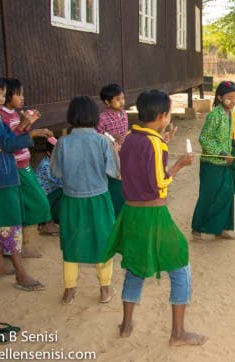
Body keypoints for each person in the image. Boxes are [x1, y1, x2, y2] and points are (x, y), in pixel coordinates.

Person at [101, 90, 206, 346]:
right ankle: (178, 333)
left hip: (131, 212)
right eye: (169, 113)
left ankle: (126, 325)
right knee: (180, 264)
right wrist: (179, 164)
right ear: (162, 116)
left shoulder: (130, 138)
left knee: (135, 266)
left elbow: (138, 168)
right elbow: (160, 183)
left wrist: (163, 146)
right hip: (153, 213)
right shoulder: (156, 144)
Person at [0, 74, 51, 291]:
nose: (0, 99)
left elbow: (6, 138)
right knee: (9, 222)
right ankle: (21, 274)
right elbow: (7, 141)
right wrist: (30, 134)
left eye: (2, 95)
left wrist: (6, 141)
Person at [50, 96, 120, 304]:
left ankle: (69, 290)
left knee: (71, 242)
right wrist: (115, 151)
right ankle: (105, 289)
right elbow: (115, 172)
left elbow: (56, 172)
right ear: (94, 117)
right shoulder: (102, 141)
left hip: (72, 200)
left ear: (71, 116)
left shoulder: (63, 142)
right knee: (102, 241)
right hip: (98, 199)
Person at [0, 78, 57, 255]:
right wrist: (31, 128)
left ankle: (22, 243)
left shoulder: (14, 114)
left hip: (24, 163)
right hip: (15, 167)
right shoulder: (1, 116)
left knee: (30, 203)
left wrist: (28, 122)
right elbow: (9, 142)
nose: (23, 98)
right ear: (8, 96)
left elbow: (19, 134)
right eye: (19, 94)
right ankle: (17, 245)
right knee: (37, 201)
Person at [191, 81, 235, 240]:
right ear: (219, 97)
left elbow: (224, 138)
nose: (233, 101)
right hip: (211, 164)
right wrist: (223, 153)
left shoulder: (231, 114)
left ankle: (220, 228)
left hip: (226, 163)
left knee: (227, 194)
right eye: (230, 98)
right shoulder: (214, 115)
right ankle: (197, 228)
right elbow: (204, 139)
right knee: (209, 196)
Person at [96, 83, 129, 218]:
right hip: (109, 155)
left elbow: (124, 132)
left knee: (124, 179)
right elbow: (97, 136)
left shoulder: (124, 114)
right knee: (114, 181)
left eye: (122, 98)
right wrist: (110, 137)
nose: (121, 102)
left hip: (123, 153)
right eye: (117, 99)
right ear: (107, 102)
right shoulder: (102, 118)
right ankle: (112, 211)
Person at [35, 139, 62, 225]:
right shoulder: (46, 166)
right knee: (64, 191)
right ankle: (53, 217)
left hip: (50, 194)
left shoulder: (53, 162)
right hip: (44, 198)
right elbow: (59, 182)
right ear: (48, 153)